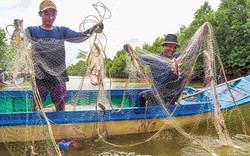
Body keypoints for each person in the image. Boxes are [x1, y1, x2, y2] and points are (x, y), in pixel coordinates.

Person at [25, 0, 104, 111]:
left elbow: (80, 37)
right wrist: (17, 35)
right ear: (40, 14)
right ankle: (36, 125)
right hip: (40, 76)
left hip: (59, 77)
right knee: (37, 105)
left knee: (60, 105)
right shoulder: (32, 31)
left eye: (53, 14)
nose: (50, 17)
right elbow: (18, 41)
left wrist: (93, 29)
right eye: (46, 13)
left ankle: (60, 125)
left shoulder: (61, 31)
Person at [138, 34, 185, 106]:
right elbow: (138, 57)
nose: (172, 49)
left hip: (171, 94)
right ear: (164, 46)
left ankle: (168, 103)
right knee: (142, 95)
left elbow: (191, 51)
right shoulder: (153, 58)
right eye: (170, 46)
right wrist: (129, 49)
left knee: (182, 74)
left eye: (174, 47)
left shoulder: (177, 57)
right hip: (157, 91)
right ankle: (142, 113)